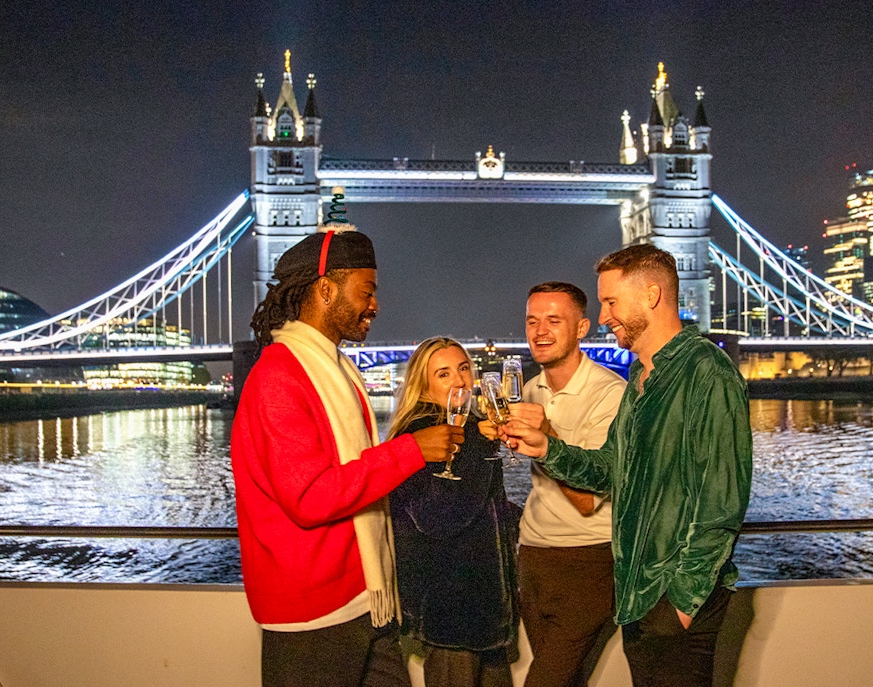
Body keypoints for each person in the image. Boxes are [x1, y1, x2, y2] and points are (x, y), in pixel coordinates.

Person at [502, 245, 752, 687]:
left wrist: (682, 603)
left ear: (651, 295)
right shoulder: (641, 376)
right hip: (639, 593)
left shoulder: (706, 371)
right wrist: (546, 448)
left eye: (611, 302)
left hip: (676, 600)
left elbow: (721, 503)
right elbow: (608, 469)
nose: (603, 317)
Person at [231, 223, 464, 687]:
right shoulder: (278, 377)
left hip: (365, 598)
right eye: (366, 291)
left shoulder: (335, 368)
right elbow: (310, 497)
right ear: (326, 290)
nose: (374, 305)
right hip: (313, 616)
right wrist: (410, 450)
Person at [386, 337, 519, 687]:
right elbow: (439, 516)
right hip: (452, 612)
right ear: (423, 384)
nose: (459, 380)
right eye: (443, 374)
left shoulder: (467, 427)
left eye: (463, 368)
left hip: (482, 611)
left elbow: (483, 506)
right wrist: (479, 443)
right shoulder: (424, 433)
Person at [515, 282, 625, 687]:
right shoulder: (530, 390)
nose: (540, 331)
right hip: (532, 554)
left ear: (581, 328)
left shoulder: (610, 395)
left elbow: (586, 500)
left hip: (587, 560)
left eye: (553, 320)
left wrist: (545, 435)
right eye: (532, 321)